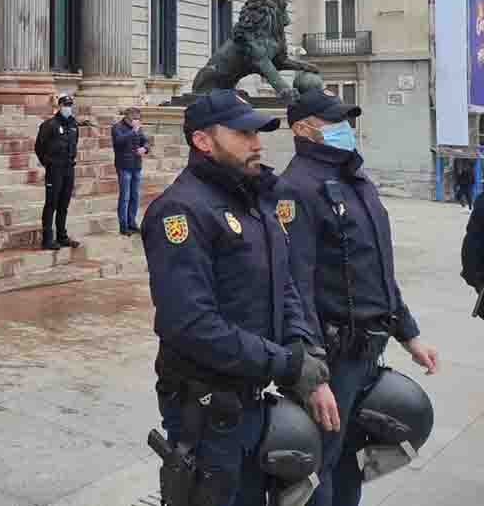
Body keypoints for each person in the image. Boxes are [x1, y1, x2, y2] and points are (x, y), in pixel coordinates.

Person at [143, 90, 335, 505]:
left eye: (258, 132)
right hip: (206, 409)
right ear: (202, 141)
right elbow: (192, 324)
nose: (256, 143)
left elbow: (284, 285)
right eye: (242, 133)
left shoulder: (256, 200)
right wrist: (286, 364)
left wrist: (302, 349)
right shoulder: (180, 211)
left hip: (253, 396)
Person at [277, 88, 438, 506]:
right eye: (333, 122)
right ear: (302, 128)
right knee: (319, 465)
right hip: (331, 356)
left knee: (351, 458)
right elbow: (295, 286)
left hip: (367, 349)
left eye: (346, 121)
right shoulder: (296, 189)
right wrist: (313, 374)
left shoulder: (355, 180)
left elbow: (376, 269)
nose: (345, 129)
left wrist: (409, 334)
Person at [35, 94, 81, 250]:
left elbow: (75, 143)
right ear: (59, 106)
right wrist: (48, 163)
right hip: (55, 169)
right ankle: (47, 239)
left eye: (70, 105)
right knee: (51, 203)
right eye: (65, 105)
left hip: (69, 168)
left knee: (64, 204)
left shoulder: (74, 124)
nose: (68, 108)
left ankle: (62, 236)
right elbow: (39, 147)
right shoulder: (49, 125)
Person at [111, 106, 149, 236]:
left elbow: (145, 141)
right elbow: (118, 141)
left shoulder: (138, 128)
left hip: (136, 165)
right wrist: (133, 131)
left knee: (134, 196)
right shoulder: (117, 127)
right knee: (125, 197)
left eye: (138, 118)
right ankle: (123, 225)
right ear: (128, 117)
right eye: (135, 118)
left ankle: (132, 223)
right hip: (124, 166)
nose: (137, 120)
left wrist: (145, 148)